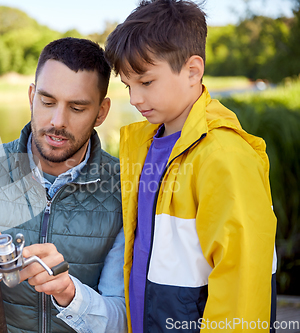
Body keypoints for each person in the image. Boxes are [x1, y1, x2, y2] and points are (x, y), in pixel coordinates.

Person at [0, 37, 127, 333]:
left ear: (101, 112)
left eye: (77, 107)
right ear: (31, 96)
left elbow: (122, 321)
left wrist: (69, 293)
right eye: (47, 102)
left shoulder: (125, 188)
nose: (57, 121)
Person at [104, 1, 277, 332]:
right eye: (128, 86)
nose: (134, 99)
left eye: (146, 82)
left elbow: (242, 281)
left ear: (192, 71)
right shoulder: (144, 146)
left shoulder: (224, 155)